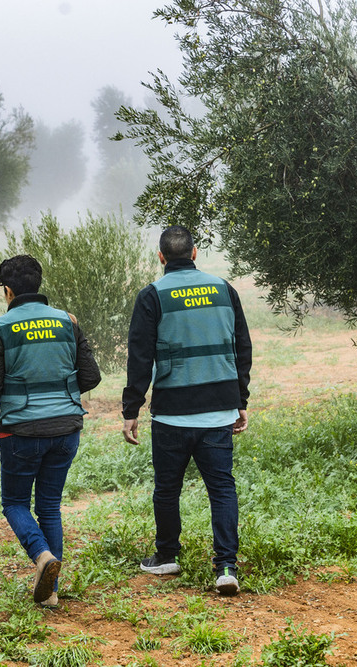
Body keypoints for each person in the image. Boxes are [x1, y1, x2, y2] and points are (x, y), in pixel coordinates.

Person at [121, 225, 251, 596]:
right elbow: (242, 347)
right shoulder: (225, 290)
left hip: (172, 415)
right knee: (222, 489)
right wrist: (240, 400)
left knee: (167, 489)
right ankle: (226, 566)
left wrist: (131, 408)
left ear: (161, 257)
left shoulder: (152, 296)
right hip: (218, 412)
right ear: (195, 253)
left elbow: (140, 357)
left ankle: (167, 557)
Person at [0, 255, 101, 607]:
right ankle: (52, 592)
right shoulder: (67, 322)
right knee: (49, 506)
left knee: (15, 502)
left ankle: (41, 556)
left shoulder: (1, 326)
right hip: (66, 429)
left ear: (7, 290)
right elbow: (91, 376)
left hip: (21, 433)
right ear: (39, 283)